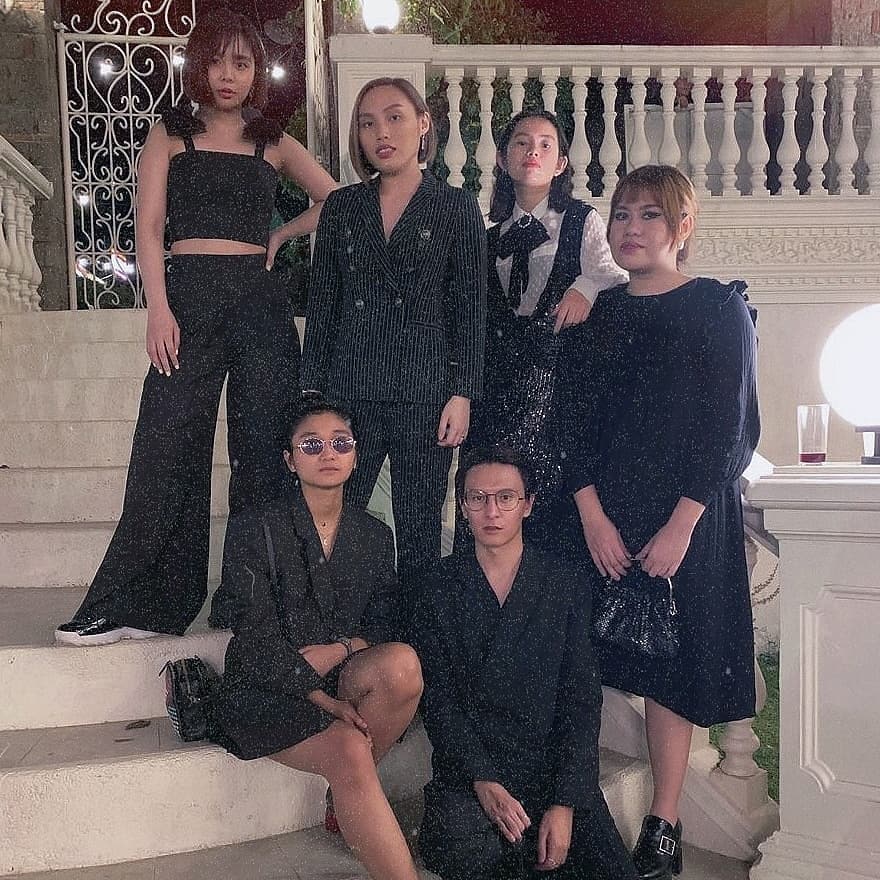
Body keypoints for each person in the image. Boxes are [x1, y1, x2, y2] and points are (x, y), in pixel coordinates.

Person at [55, 9, 336, 646]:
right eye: (215, 61)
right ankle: (139, 606)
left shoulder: (272, 140)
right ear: (197, 66)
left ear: (256, 70)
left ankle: (249, 603)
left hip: (260, 305)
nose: (228, 75)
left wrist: (281, 235)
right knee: (165, 450)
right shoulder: (169, 134)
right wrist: (157, 307)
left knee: (263, 453)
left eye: (242, 63)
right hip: (187, 300)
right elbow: (149, 229)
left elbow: (336, 199)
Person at [557, 165, 760, 879]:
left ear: (682, 227)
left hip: (686, 521)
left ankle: (664, 823)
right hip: (603, 519)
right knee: (581, 662)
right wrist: (592, 517)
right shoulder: (596, 313)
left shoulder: (718, 308)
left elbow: (731, 428)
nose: (632, 228)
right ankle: (572, 807)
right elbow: (569, 425)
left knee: (670, 674)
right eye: (622, 214)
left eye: (649, 215)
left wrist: (681, 526)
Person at [209, 397, 424, 880]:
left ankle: (347, 795)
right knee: (349, 749)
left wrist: (341, 649)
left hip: (337, 674)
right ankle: (353, 792)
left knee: (404, 664)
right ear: (290, 460)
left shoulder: (374, 535)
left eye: (340, 443)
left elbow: (383, 625)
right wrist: (324, 700)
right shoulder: (255, 527)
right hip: (267, 686)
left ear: (355, 455)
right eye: (311, 445)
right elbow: (254, 635)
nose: (328, 453)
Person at [409, 445, 638, 880]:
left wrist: (564, 802)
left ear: (528, 504)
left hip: (547, 769)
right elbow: (439, 702)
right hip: (471, 773)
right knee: (461, 848)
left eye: (506, 498)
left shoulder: (565, 583)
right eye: (478, 498)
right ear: (463, 506)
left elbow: (581, 701)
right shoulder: (435, 587)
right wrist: (482, 780)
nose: (492, 512)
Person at [301, 76, 486, 593]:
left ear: (424, 124)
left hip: (425, 390)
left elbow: (470, 308)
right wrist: (312, 395)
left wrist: (463, 392)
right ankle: (339, 622)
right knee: (338, 521)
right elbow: (324, 305)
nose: (381, 133)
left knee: (420, 528)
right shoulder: (342, 207)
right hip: (348, 389)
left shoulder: (455, 206)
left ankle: (416, 634)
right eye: (367, 123)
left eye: (395, 117)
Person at [462, 109, 626, 561]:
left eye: (545, 144)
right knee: (491, 519)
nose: (532, 151)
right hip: (494, 401)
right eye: (521, 142)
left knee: (550, 524)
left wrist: (585, 286)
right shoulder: (488, 237)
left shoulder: (581, 220)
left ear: (561, 163)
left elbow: (615, 275)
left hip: (555, 399)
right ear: (501, 158)